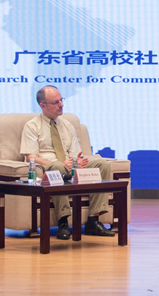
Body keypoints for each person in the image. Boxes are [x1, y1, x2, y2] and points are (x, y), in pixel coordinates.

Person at [20, 86, 115, 240]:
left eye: (61, 100)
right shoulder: (32, 126)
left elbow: (75, 154)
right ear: (43, 105)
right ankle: (63, 222)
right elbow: (32, 157)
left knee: (102, 164)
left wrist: (79, 162)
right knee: (57, 166)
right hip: (49, 166)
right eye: (55, 102)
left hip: (69, 165)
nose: (61, 105)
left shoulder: (67, 125)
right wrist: (61, 163)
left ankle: (93, 220)